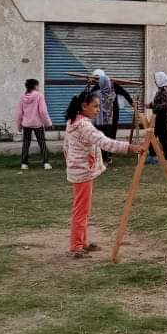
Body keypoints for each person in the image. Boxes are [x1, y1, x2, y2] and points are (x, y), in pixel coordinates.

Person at [63, 91, 144, 258]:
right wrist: (129, 147)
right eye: (95, 106)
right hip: (82, 172)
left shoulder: (74, 121)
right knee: (81, 210)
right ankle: (76, 246)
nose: (98, 110)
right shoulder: (83, 125)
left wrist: (73, 163)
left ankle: (82, 242)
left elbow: (66, 147)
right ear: (84, 106)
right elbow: (103, 142)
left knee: (83, 209)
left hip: (80, 170)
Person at [16, 78, 54, 171]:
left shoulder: (22, 97)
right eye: (38, 85)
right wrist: (48, 123)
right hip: (38, 124)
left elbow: (19, 113)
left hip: (26, 124)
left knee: (26, 143)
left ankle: (24, 164)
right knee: (42, 143)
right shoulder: (39, 96)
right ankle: (46, 163)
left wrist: (19, 126)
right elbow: (43, 111)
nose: (38, 87)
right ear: (35, 86)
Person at [146, 71, 167, 166]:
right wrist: (149, 105)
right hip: (158, 116)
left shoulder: (164, 91)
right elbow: (158, 103)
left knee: (163, 137)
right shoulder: (161, 90)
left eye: (156, 80)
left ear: (160, 80)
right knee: (153, 135)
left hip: (162, 117)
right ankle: (152, 156)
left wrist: (152, 106)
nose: (155, 81)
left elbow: (164, 105)